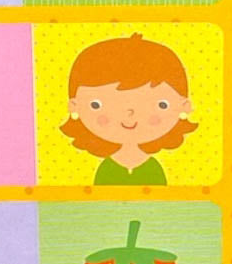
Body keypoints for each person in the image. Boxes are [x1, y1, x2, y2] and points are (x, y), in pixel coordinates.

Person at [60, 33, 196, 185]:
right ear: (74, 106)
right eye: (96, 105)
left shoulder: (153, 169)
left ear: (184, 106)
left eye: (161, 105)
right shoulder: (107, 169)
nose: (129, 114)